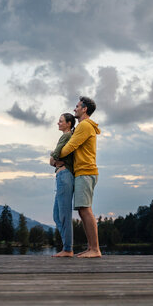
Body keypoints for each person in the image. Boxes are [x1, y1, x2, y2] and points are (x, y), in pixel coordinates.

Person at [58, 96, 101, 258]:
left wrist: (56, 156)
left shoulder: (84, 125)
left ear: (84, 109)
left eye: (77, 106)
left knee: (85, 209)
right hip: (83, 172)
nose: (74, 109)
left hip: (86, 171)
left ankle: (95, 249)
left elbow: (70, 146)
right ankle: (91, 248)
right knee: (83, 210)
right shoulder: (84, 126)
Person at [50, 113, 76, 257]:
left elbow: (53, 157)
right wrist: (54, 158)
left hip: (64, 176)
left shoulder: (66, 136)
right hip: (61, 176)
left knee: (64, 215)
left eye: (61, 121)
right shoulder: (67, 137)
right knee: (56, 215)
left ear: (69, 123)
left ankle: (68, 249)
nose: (58, 123)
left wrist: (53, 156)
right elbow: (54, 159)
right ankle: (67, 246)